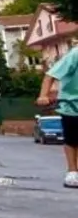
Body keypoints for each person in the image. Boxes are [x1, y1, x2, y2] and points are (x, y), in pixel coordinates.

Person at [37, 47, 78, 188]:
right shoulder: (75, 54)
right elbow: (50, 76)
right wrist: (43, 95)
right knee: (72, 139)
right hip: (72, 103)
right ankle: (72, 171)